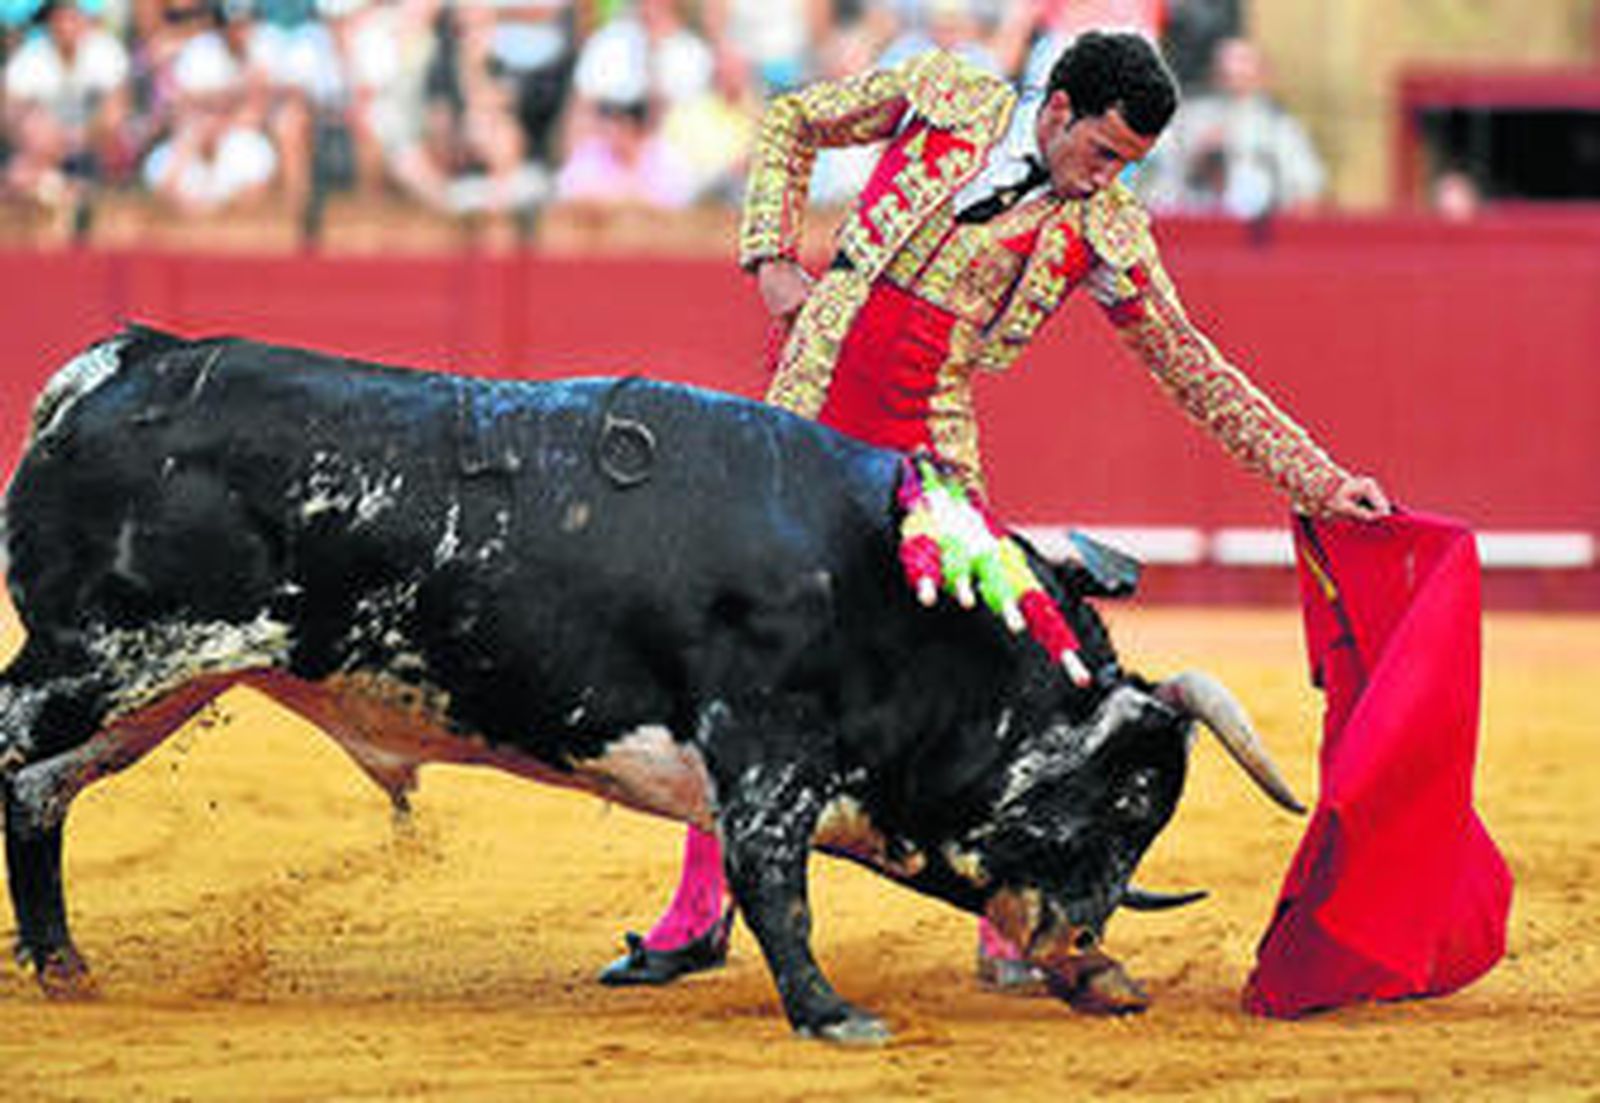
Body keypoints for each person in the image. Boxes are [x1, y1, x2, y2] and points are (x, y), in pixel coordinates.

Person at [598, 30, 1389, 993]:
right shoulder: (945, 95)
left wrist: (1318, 479)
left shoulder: (1108, 228)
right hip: (803, 415)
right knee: (743, 653)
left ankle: (1015, 912)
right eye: (1101, 153)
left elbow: (1191, 365)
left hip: (928, 448)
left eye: (1128, 166)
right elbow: (792, 118)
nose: (1106, 181)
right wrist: (769, 255)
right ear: (1056, 110)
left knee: (984, 666)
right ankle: (698, 913)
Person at [1136, 35, 1326, 220]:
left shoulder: (1280, 128)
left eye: (1243, 65)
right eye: (1226, 68)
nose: (1234, 74)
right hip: (1194, 226)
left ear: (1262, 75)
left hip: (1259, 233)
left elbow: (1306, 191)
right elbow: (1155, 184)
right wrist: (1198, 159)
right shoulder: (1188, 119)